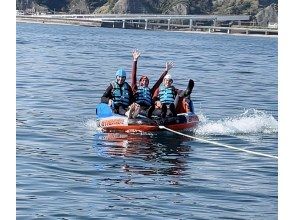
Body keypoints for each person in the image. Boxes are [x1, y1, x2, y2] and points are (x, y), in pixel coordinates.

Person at [130, 49, 174, 117]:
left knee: (156, 112)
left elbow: (159, 82)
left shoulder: (150, 91)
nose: (144, 81)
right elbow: (133, 76)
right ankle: (147, 115)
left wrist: (166, 71)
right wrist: (135, 60)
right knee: (141, 110)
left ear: (148, 83)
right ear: (140, 82)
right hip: (139, 107)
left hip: (149, 108)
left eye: (146, 80)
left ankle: (163, 114)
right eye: (143, 80)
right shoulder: (135, 88)